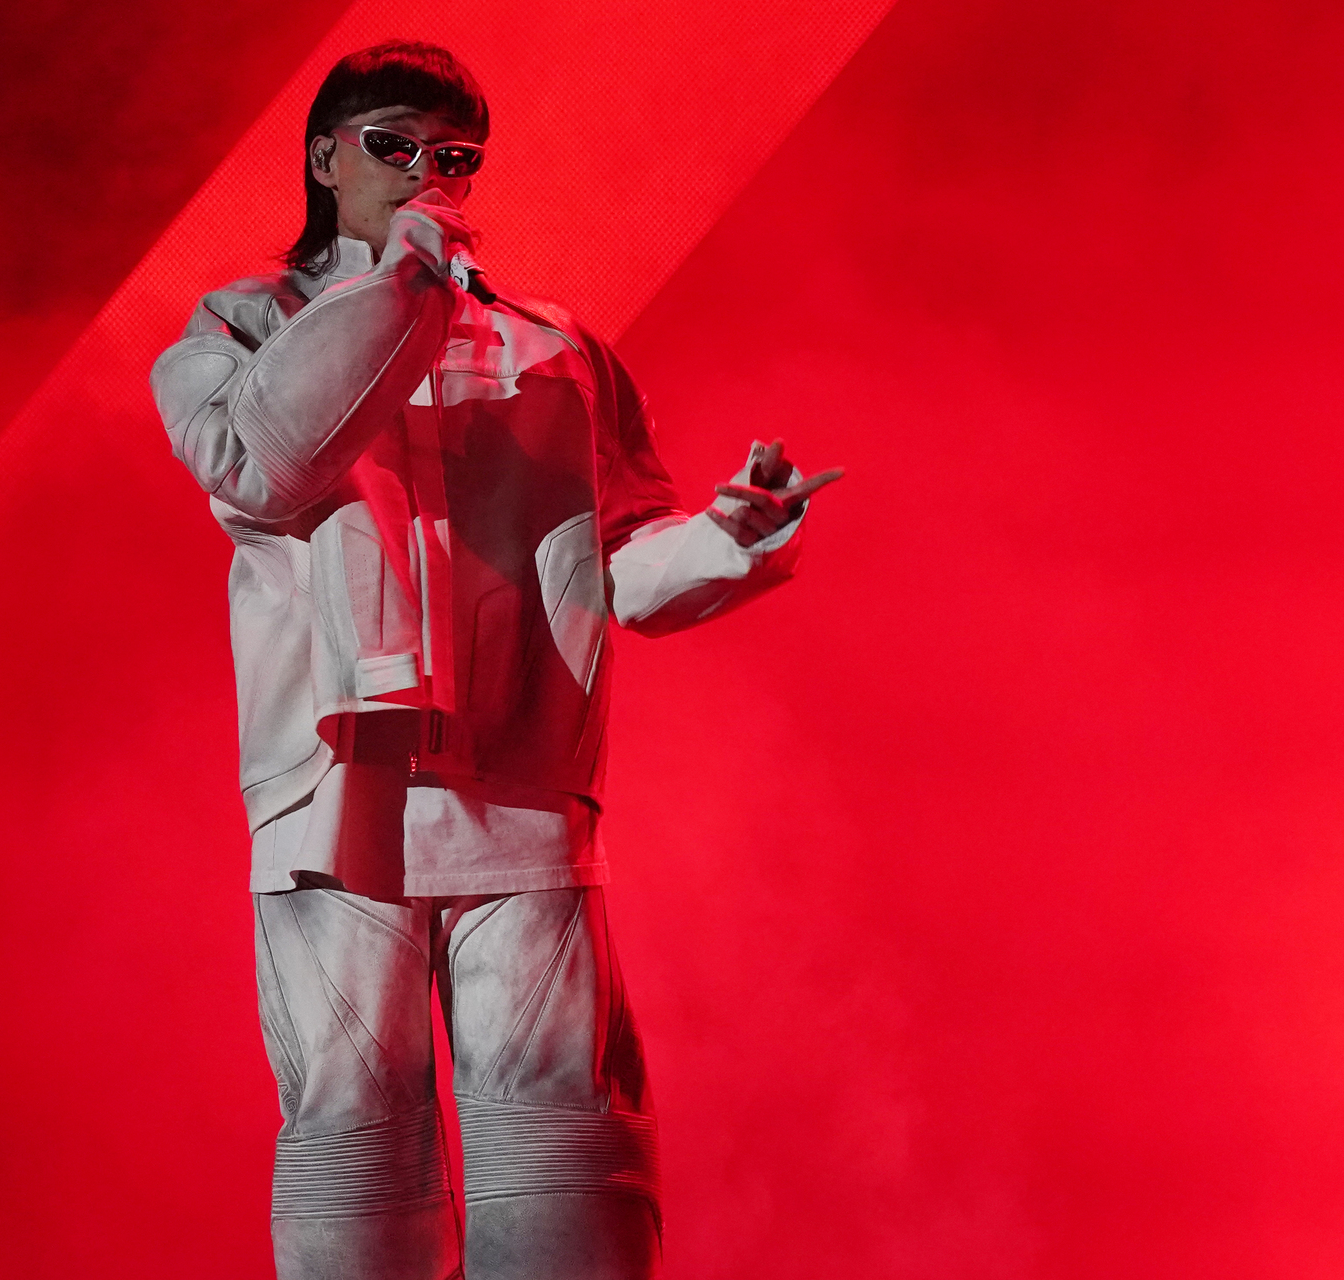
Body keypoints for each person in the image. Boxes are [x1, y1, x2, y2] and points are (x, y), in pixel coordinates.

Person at [150, 41, 839, 1280]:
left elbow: (621, 562)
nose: (429, 174)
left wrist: (730, 537)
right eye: (395, 147)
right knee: (357, 1147)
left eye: (455, 157)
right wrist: (405, 285)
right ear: (325, 159)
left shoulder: (553, 347)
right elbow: (264, 465)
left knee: (560, 1144)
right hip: (330, 805)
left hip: (519, 793)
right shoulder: (237, 331)